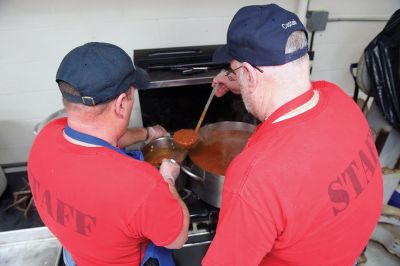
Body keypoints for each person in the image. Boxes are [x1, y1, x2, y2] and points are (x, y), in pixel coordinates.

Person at [202, 4, 383, 266]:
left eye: (236, 70)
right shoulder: (339, 99)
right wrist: (241, 85)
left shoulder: (255, 178)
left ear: (251, 75)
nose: (236, 77)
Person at [28, 42, 189, 266]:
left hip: (75, 255)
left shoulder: (45, 136)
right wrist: (168, 178)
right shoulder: (142, 186)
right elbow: (178, 238)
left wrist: (147, 133)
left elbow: (97, 136)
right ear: (121, 104)